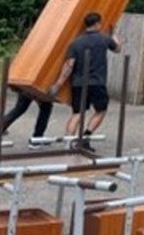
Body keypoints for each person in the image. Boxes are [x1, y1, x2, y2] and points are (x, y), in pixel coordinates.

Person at [50, 12, 121, 145]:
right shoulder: (104, 39)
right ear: (97, 24)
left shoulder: (75, 42)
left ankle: (68, 141)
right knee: (101, 110)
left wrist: (58, 84)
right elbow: (117, 49)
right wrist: (116, 39)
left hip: (78, 83)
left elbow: (69, 65)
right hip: (97, 82)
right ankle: (85, 136)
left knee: (77, 113)